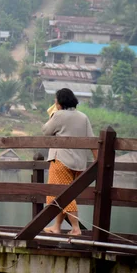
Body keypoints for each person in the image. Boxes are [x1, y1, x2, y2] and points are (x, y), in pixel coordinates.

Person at [42, 88, 97, 236]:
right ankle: (57, 226)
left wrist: (53, 113)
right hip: (79, 163)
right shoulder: (83, 117)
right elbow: (92, 140)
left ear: (59, 102)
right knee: (66, 193)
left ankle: (75, 228)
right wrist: (99, 160)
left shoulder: (58, 115)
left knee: (62, 194)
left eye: (56, 100)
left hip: (61, 160)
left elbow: (46, 131)